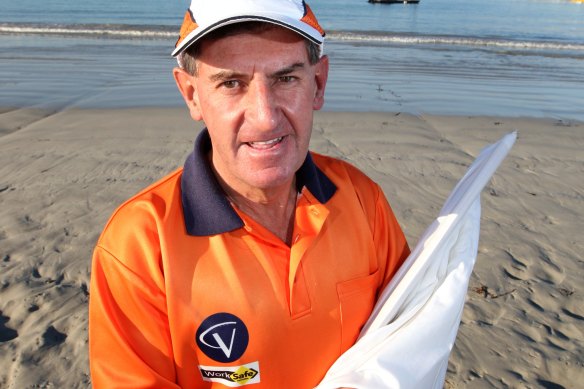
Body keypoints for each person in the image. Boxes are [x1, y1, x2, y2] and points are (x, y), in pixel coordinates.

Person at [88, 0, 409, 388]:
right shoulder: (139, 244)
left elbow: (408, 345)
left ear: (318, 84)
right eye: (231, 83)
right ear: (191, 94)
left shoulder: (362, 199)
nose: (265, 116)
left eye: (285, 78)